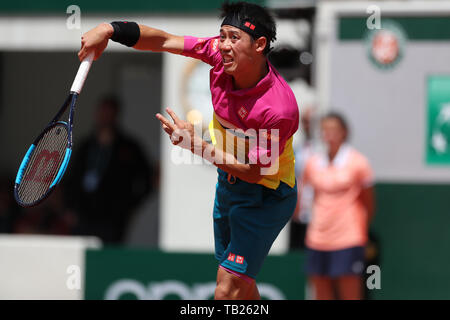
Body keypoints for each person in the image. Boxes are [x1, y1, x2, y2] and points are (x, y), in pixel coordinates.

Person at [78, 2, 300, 299]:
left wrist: (195, 145)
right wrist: (110, 29)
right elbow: (165, 40)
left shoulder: (279, 108)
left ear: (260, 44)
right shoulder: (217, 55)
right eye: (222, 36)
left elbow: (255, 172)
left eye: (234, 38)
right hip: (229, 188)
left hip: (266, 195)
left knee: (226, 287)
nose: (223, 45)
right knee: (242, 286)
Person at [302, 112, 375, 300]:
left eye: (334, 129)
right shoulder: (313, 163)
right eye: (325, 129)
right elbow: (306, 198)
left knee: (350, 294)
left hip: (348, 238)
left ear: (344, 132)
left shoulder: (358, 162)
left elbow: (368, 203)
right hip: (317, 237)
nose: (329, 134)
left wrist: (359, 229)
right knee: (321, 293)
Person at [63, 96, 155, 244]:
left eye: (109, 113)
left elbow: (148, 178)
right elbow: (71, 178)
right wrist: (69, 208)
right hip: (83, 215)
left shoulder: (129, 148)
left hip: (112, 218)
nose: (105, 117)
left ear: (116, 115)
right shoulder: (85, 146)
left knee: (108, 256)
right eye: (102, 112)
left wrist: (130, 206)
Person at [290, 106, 315, 250]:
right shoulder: (297, 148)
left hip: (318, 213)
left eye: (310, 121)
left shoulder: (323, 150)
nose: (307, 126)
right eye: (304, 122)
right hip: (297, 211)